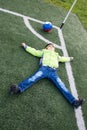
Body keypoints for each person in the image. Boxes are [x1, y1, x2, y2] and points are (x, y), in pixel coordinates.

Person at [9, 43, 84, 108]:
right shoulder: (44, 52)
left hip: (53, 72)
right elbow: (35, 52)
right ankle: (18, 88)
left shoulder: (56, 55)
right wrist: (26, 46)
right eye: (49, 46)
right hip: (44, 69)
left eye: (52, 46)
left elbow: (63, 58)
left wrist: (69, 58)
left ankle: (74, 102)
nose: (51, 47)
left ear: (54, 49)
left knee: (61, 85)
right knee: (33, 78)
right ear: (46, 48)